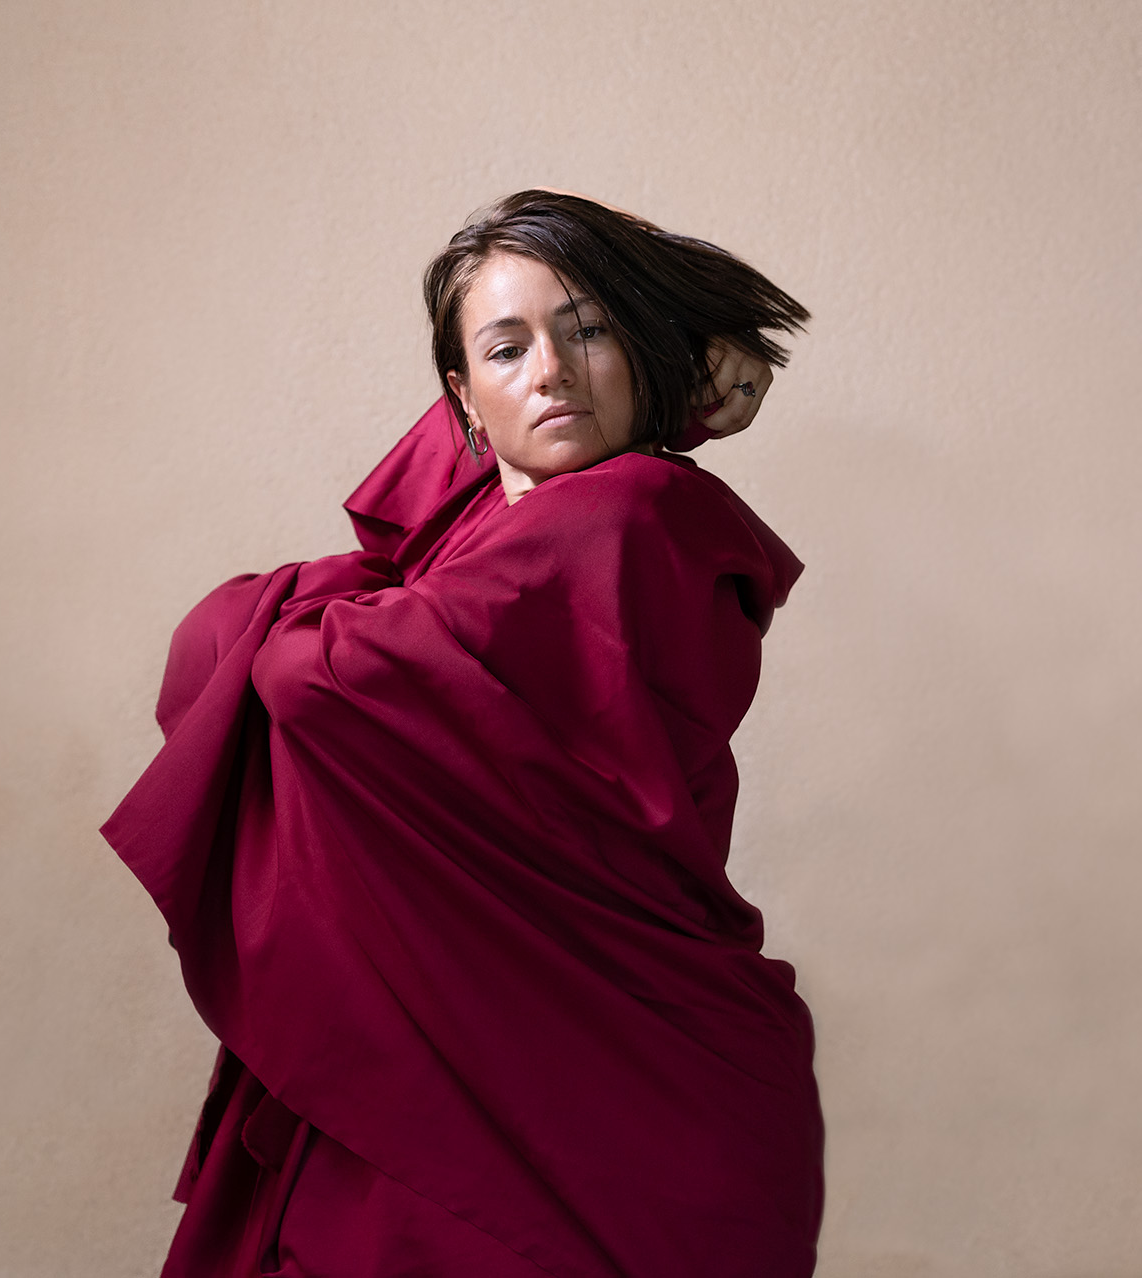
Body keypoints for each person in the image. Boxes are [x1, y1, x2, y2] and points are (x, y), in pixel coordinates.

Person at [102, 190, 823, 1277]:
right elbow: (361, 575)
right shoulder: (478, 536)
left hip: (600, 1087)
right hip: (458, 1049)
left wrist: (666, 390)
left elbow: (303, 675)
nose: (553, 371)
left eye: (589, 329)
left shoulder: (632, 513)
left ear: (640, 349)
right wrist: (668, 391)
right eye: (508, 347)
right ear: (461, 398)